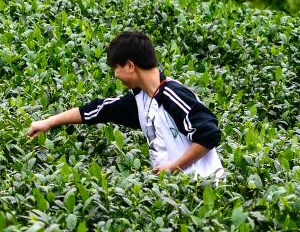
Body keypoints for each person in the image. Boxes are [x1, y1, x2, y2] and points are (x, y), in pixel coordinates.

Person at [25, 29, 224, 178]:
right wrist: (49, 122)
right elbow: (99, 109)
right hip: (177, 193)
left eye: (116, 68)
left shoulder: (172, 94)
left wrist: (174, 168)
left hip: (205, 189)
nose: (115, 75)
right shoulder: (142, 99)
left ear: (130, 66)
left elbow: (209, 135)